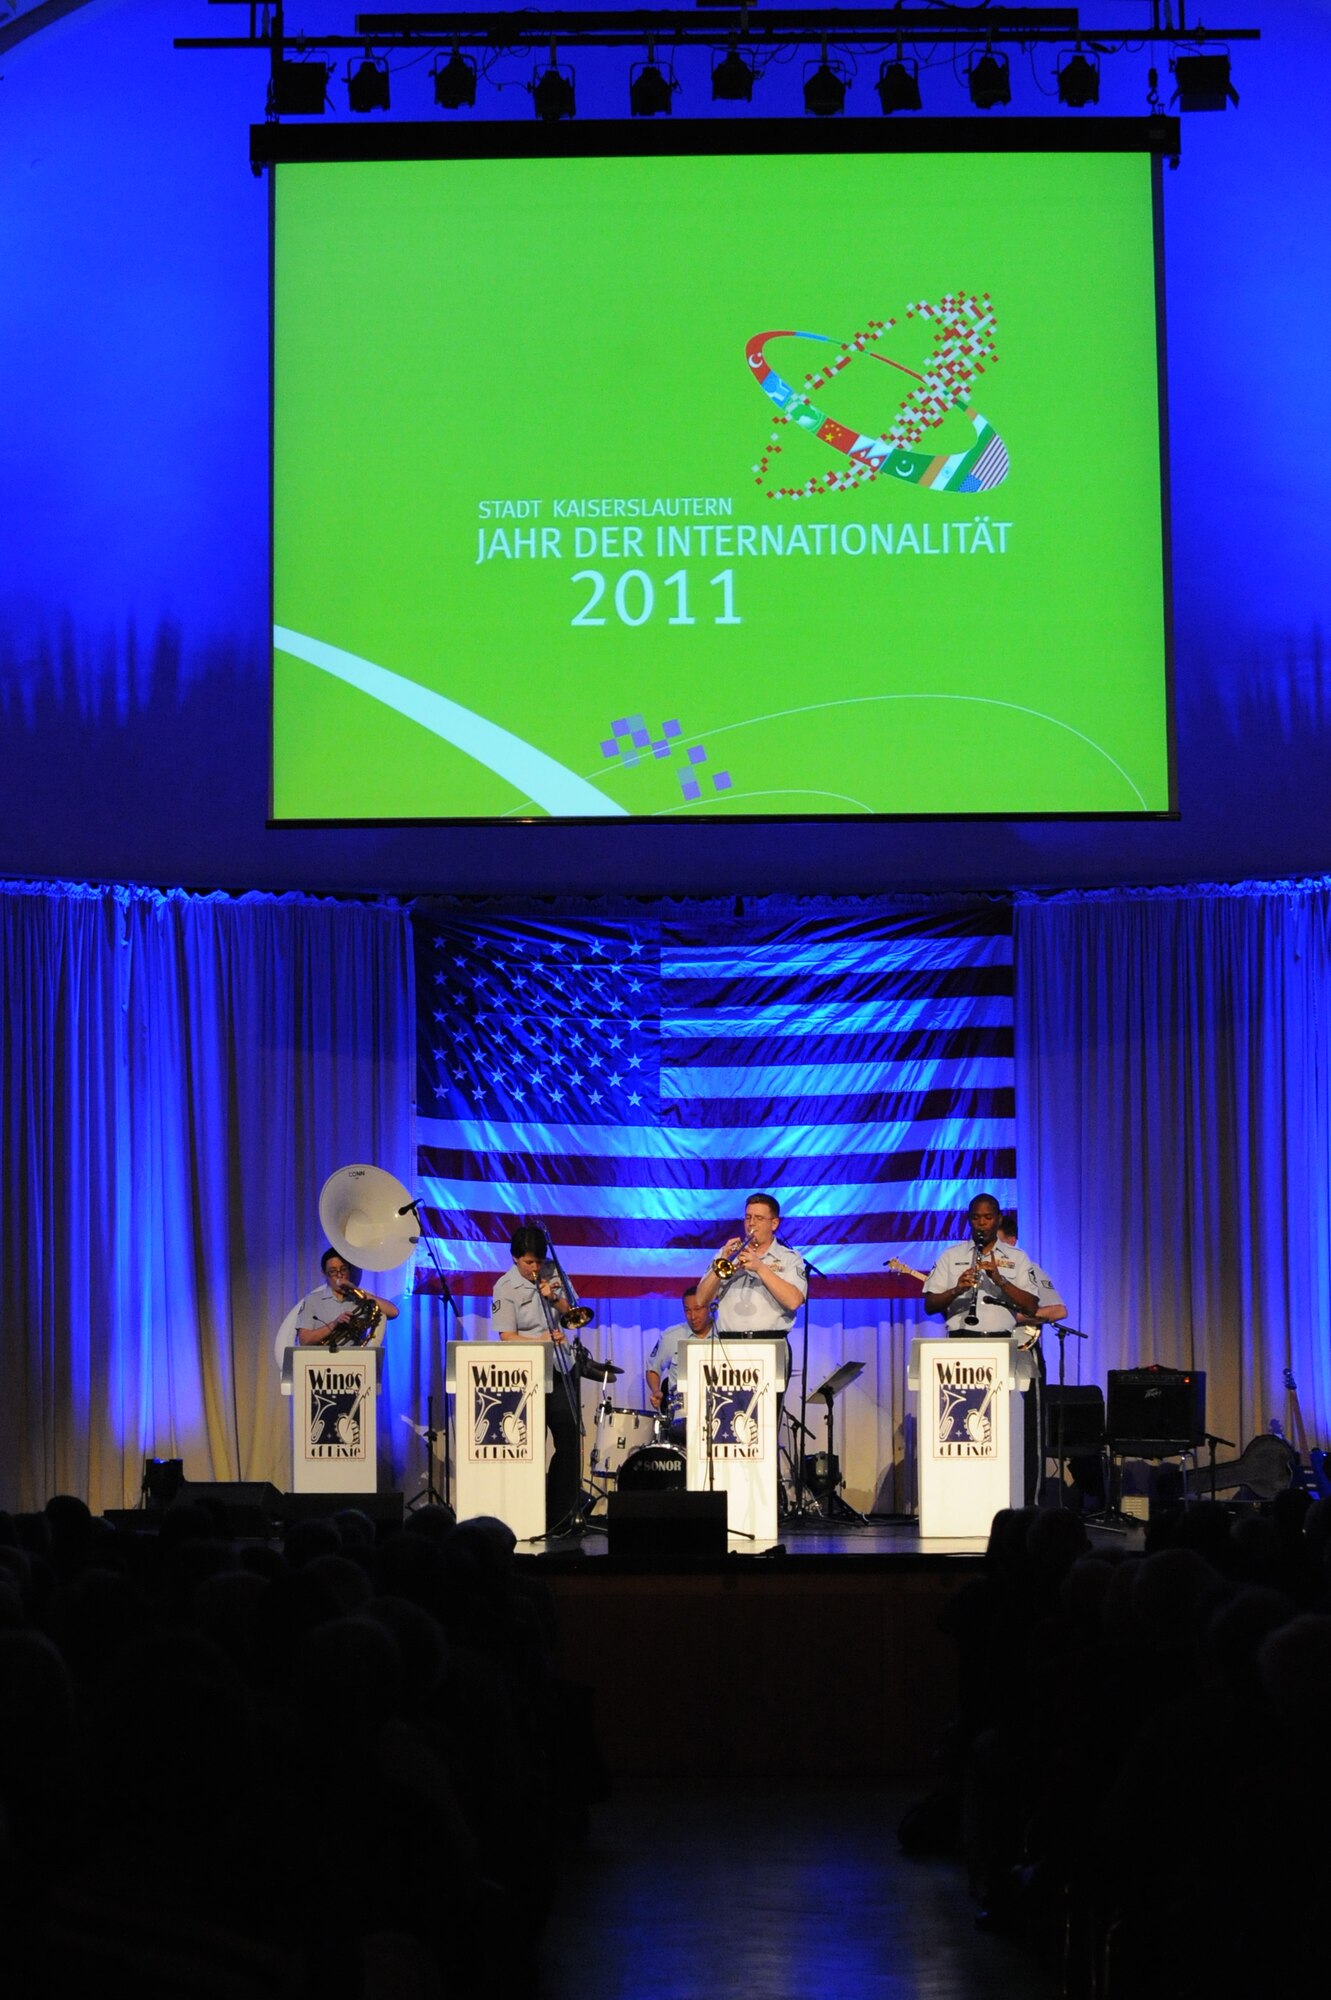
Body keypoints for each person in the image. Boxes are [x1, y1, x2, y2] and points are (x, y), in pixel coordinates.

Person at [492, 1223, 583, 1535]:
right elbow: (507, 1336)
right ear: (516, 1258)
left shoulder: (552, 1271)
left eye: (538, 1262)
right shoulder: (505, 1287)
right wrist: (541, 1340)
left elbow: (573, 1315)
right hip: (526, 1375)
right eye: (529, 1262)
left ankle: (560, 1515)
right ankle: (528, 1514)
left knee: (570, 1442)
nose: (534, 1268)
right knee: (529, 1446)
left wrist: (555, 1298)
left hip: (560, 1368)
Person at [694, 1194, 806, 1400]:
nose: (751, 1224)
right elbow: (700, 1300)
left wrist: (760, 1268)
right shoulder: (726, 1254)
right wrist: (722, 1264)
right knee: (726, 1419)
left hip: (770, 1346)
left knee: (765, 1425)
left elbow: (794, 1300)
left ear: (774, 1223)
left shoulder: (790, 1258)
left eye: (759, 1218)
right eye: (748, 1217)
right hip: (728, 1347)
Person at [922, 1192, 1040, 1334]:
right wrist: (956, 1290)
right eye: (975, 1218)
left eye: (988, 1217)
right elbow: (929, 1306)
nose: (982, 1223)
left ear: (999, 1219)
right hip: (961, 1341)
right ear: (969, 1220)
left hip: (1001, 1342)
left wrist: (1001, 1281)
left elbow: (1031, 1307)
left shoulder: (1017, 1257)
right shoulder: (950, 1255)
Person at [291, 1248, 399, 1348]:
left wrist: (355, 1290)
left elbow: (394, 1312)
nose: (339, 1275)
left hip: (355, 1363)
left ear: (349, 1270)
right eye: (333, 1271)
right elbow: (304, 1340)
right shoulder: (313, 1300)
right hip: (321, 1362)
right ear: (324, 1274)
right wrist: (334, 1324)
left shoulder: (362, 1298)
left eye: (343, 1269)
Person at [646, 1287, 712, 1439]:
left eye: (698, 1309)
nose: (693, 1316)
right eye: (687, 1310)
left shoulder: (724, 1333)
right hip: (682, 1416)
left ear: (709, 1306)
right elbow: (652, 1369)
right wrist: (656, 1391)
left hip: (717, 1412)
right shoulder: (672, 1336)